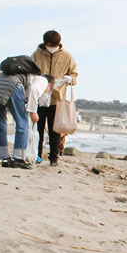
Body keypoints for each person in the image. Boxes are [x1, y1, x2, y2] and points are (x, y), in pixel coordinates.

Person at [0, 70, 53, 169]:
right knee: (22, 123)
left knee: (0, 123)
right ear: (49, 85)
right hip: (13, 85)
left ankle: (4, 158)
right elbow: (35, 90)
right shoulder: (42, 80)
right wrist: (33, 112)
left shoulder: (25, 75)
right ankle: (18, 158)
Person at [32, 29, 78, 166]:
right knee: (37, 128)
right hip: (39, 97)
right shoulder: (36, 55)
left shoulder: (67, 56)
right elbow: (29, 71)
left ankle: (54, 158)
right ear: (45, 43)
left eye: (55, 45)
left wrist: (70, 79)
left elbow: (75, 75)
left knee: (55, 129)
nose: (52, 48)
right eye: (50, 45)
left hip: (57, 98)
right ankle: (36, 155)